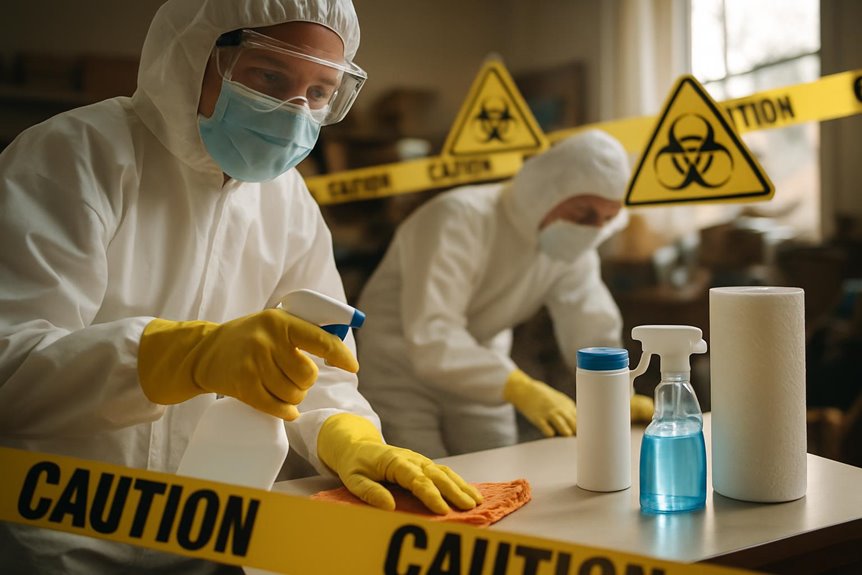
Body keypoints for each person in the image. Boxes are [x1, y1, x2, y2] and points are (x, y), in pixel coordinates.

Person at [0, 0, 480, 572]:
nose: (294, 112)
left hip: (210, 535)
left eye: (320, 92)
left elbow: (320, 363)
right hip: (59, 532)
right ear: (193, 56)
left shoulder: (288, 199)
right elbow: (11, 363)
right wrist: (181, 356)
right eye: (269, 77)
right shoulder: (78, 154)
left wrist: (348, 435)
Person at [356, 129, 654, 458]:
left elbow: (589, 321)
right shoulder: (459, 217)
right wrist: (520, 388)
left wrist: (614, 391)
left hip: (479, 365)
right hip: (397, 366)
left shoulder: (571, 248)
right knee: (421, 472)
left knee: (499, 465)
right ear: (547, 192)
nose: (593, 228)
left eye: (607, 218)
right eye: (584, 213)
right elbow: (432, 335)